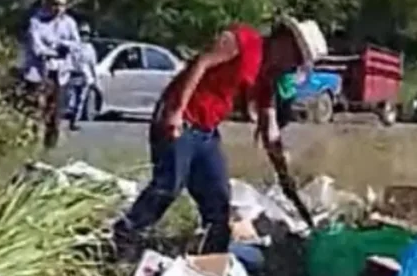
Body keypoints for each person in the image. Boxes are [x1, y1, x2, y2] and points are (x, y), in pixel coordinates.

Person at [112, 16, 328, 256]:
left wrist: (284, 176)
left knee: (218, 200)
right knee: (169, 185)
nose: (292, 65)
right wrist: (176, 112)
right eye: (296, 58)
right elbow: (201, 63)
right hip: (182, 119)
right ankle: (125, 235)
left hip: (207, 131)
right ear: (285, 42)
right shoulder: (244, 41)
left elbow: (270, 127)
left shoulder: (267, 76)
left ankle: (213, 260)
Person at [21, 0, 81, 149]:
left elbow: (76, 45)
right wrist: (55, 50)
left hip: (60, 74)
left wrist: (63, 45)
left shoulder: (69, 23)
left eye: (61, 5)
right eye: (55, 4)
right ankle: (30, 143)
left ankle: (50, 146)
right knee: (36, 110)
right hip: (40, 73)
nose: (58, 8)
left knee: (55, 113)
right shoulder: (37, 22)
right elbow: (36, 47)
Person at [67, 23, 99, 132]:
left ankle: (74, 121)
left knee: (80, 100)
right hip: (73, 74)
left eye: (86, 34)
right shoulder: (72, 46)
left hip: (84, 76)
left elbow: (93, 64)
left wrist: (94, 78)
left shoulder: (90, 48)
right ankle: (70, 116)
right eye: (82, 33)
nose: (84, 36)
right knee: (71, 99)